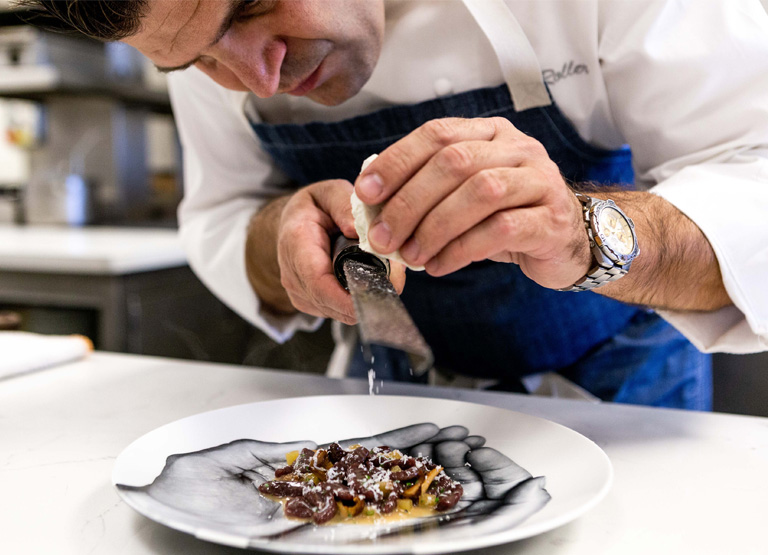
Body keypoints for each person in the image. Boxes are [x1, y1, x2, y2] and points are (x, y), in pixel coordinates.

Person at [23, 0, 768, 409]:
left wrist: (583, 234)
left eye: (254, 5)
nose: (255, 79)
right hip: (381, 398)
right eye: (198, 61)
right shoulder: (191, 21)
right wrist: (280, 237)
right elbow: (222, 211)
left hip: (628, 394)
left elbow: (755, 173)